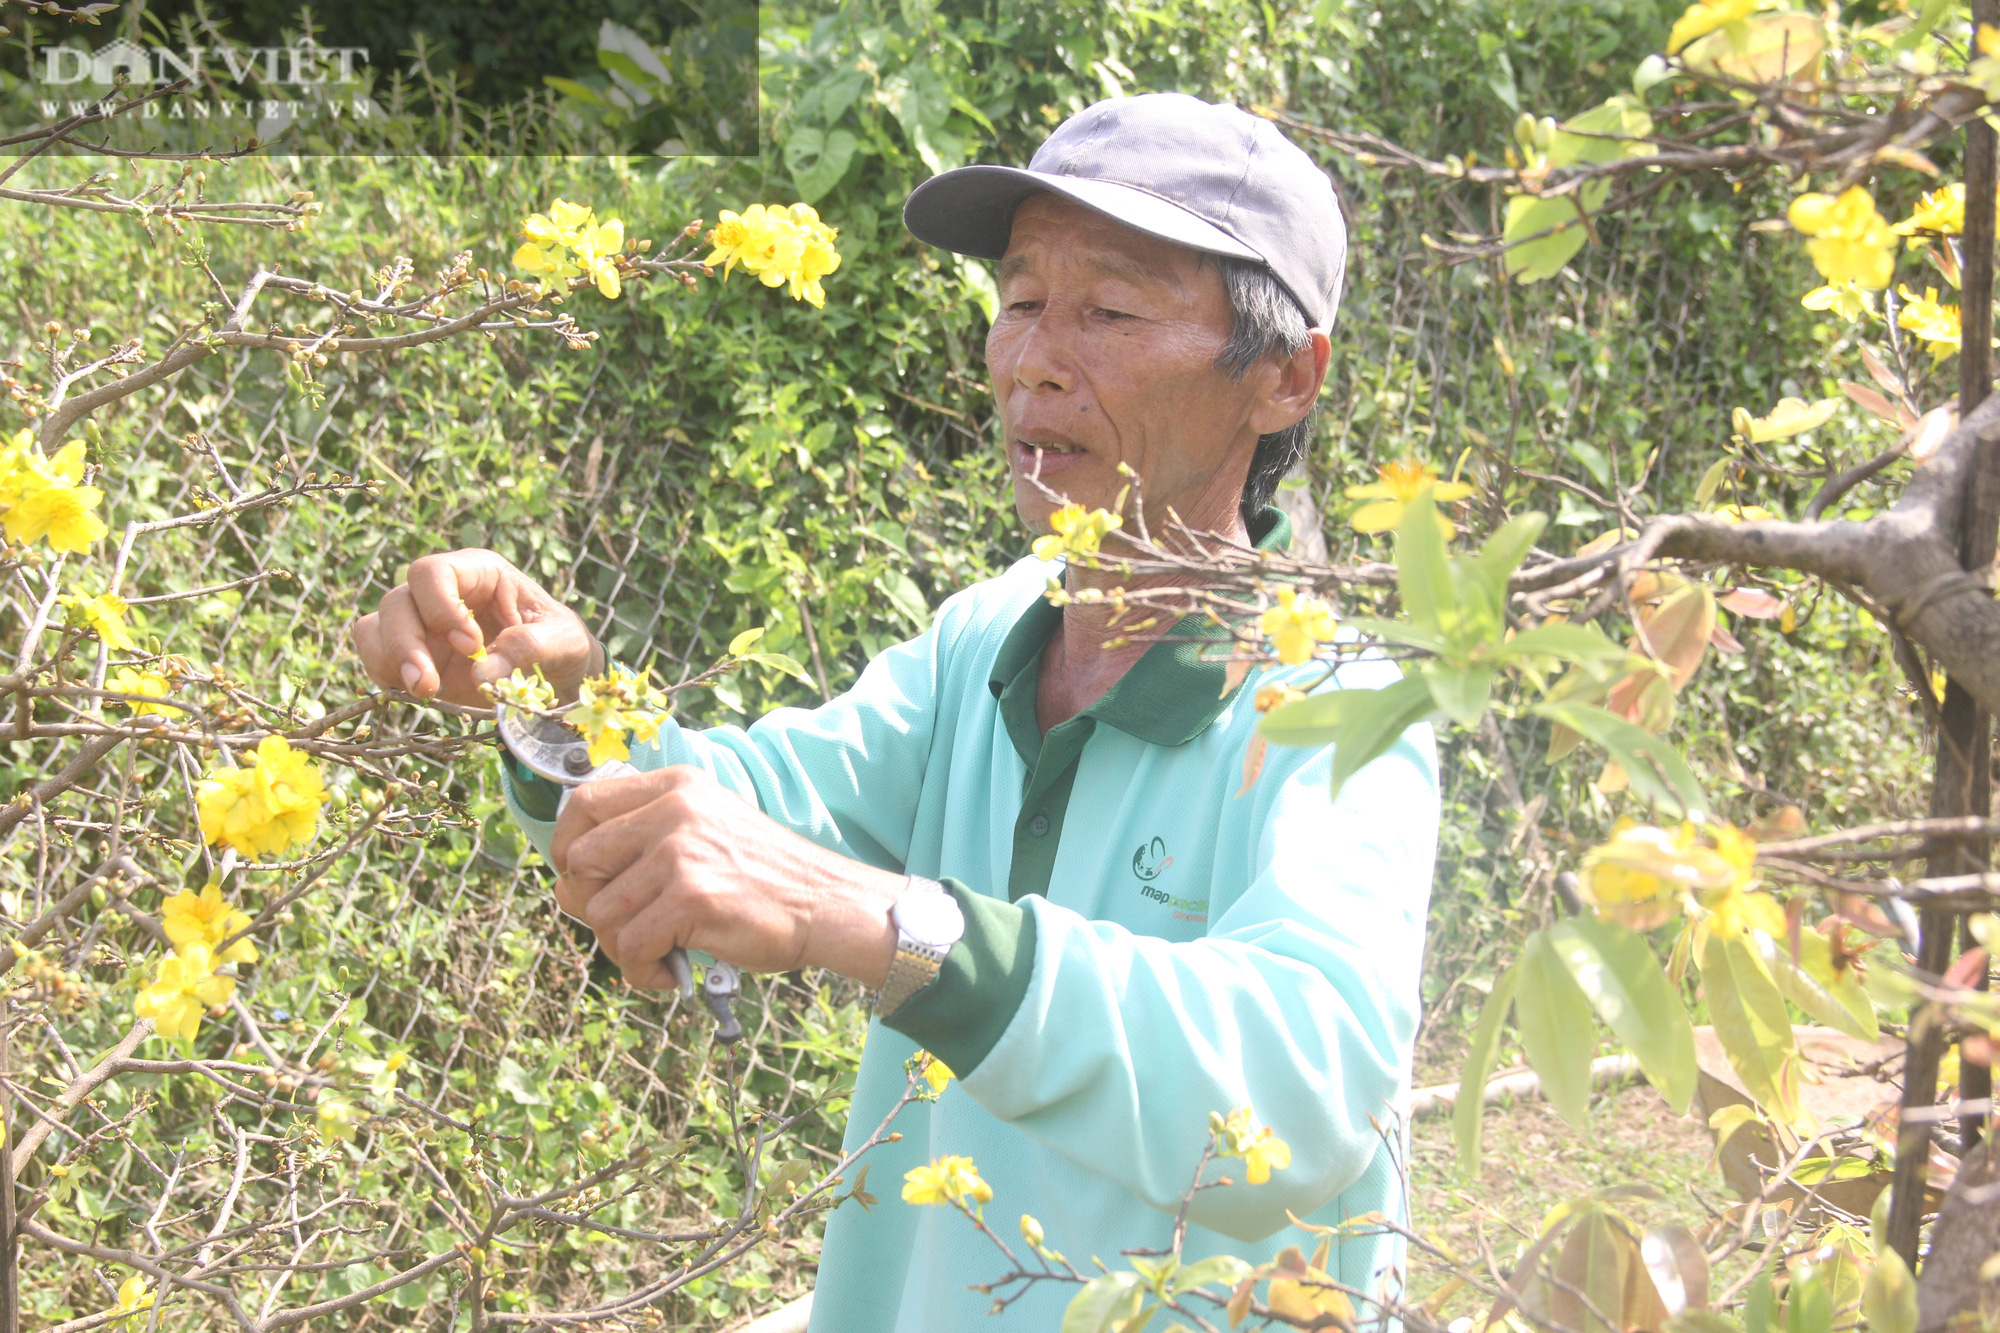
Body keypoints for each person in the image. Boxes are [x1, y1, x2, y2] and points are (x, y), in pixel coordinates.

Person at [352, 92, 1438, 1332]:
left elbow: (1301, 1086)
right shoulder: (987, 636)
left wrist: (881, 925)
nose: (1033, 357)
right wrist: (560, 714)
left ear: (1285, 378)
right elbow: (737, 814)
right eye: (1020, 300)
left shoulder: (1338, 701)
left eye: (1111, 310)